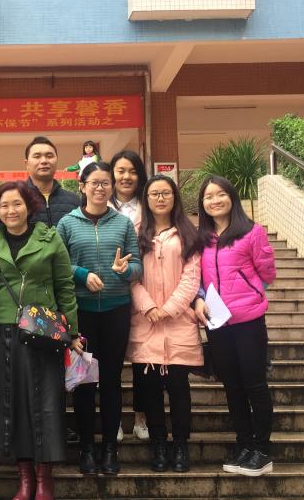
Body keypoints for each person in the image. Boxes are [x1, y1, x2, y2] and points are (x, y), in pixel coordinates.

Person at [0, 182, 81, 500]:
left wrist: (72, 332)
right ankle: (24, 479)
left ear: (29, 206)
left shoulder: (49, 239)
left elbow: (65, 286)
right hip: (4, 334)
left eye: (17, 204)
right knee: (13, 405)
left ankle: (44, 479)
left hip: (43, 333)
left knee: (46, 404)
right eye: (4, 205)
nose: (11, 211)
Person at [56, 162, 141, 476]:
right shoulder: (67, 223)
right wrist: (81, 274)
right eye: (94, 182)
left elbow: (138, 266)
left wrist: (126, 270)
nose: (100, 188)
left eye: (106, 182)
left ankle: (109, 449)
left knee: (111, 381)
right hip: (81, 314)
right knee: (84, 383)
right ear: (82, 186)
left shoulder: (123, 223)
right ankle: (86, 448)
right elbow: (57, 264)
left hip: (116, 312)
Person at [194, 175, 277, 477]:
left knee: (254, 384)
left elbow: (267, 273)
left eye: (220, 194)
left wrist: (250, 292)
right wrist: (199, 298)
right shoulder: (201, 238)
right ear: (202, 204)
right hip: (217, 322)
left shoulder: (252, 232)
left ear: (232, 197)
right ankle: (244, 445)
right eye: (208, 197)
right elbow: (197, 278)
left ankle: (262, 450)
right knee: (232, 385)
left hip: (248, 320)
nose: (215, 200)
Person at [128, 175, 203, 473]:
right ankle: (158, 444)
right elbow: (130, 276)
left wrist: (169, 309)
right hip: (145, 322)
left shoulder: (187, 232)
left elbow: (192, 277)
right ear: (146, 199)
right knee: (150, 390)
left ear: (175, 197)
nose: (160, 198)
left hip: (178, 322)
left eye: (166, 193)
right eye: (154, 193)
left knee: (179, 388)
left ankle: (181, 444)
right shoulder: (135, 232)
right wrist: (148, 306)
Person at [109, 150, 150, 444]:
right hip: (110, 294)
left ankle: (140, 417)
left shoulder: (149, 206)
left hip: (146, 289)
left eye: (132, 171)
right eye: (120, 171)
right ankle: (113, 418)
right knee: (110, 361)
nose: (126, 177)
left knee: (142, 360)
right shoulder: (100, 205)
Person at [24, 136, 80, 228]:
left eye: (49, 156)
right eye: (37, 156)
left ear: (57, 160)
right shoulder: (18, 199)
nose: (44, 161)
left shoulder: (75, 201)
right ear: (27, 164)